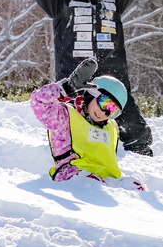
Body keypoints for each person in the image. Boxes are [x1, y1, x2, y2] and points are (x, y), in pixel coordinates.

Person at [0, 0, 163, 156]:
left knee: (134, 129)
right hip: (76, 83)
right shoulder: (60, 5)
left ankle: (139, 157)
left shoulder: (112, 2)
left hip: (113, 84)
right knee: (75, 130)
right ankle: (74, 162)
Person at [29, 57, 143, 190]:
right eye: (104, 103)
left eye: (112, 111)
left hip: (108, 179)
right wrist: (64, 88)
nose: (104, 113)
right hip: (74, 175)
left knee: (135, 186)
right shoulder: (65, 117)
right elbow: (38, 101)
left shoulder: (110, 127)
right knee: (92, 183)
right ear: (92, 93)